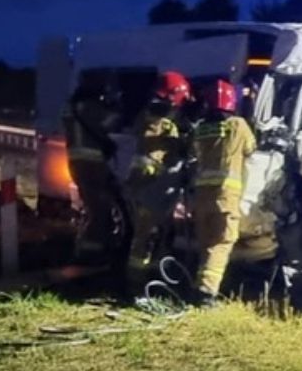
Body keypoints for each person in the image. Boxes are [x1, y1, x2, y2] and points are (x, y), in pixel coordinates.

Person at [187, 79, 257, 306]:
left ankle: (198, 286)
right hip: (225, 196)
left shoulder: (200, 129)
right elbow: (251, 148)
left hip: (201, 196)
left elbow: (192, 154)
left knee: (206, 243)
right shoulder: (237, 125)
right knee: (221, 242)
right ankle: (206, 294)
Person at [124, 70, 191, 296]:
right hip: (149, 185)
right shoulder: (156, 119)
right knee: (145, 235)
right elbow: (163, 149)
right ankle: (135, 284)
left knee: (159, 233)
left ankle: (152, 276)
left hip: (154, 186)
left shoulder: (154, 117)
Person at [61, 81, 125, 266]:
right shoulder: (93, 108)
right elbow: (113, 122)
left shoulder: (69, 109)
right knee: (99, 210)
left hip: (76, 164)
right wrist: (116, 106)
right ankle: (91, 253)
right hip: (93, 164)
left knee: (92, 207)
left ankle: (89, 249)